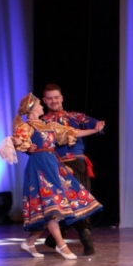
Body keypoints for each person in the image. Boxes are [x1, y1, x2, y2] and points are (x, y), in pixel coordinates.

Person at [10, 93, 103, 259]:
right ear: (32, 108)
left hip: (52, 164)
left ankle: (30, 242)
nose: (42, 106)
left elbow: (72, 133)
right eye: (39, 104)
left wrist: (93, 130)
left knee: (57, 203)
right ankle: (62, 246)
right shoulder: (27, 126)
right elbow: (18, 141)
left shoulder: (48, 125)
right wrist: (21, 144)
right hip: (39, 167)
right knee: (50, 205)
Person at [41, 84, 105, 255]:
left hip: (78, 163)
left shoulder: (74, 116)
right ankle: (80, 239)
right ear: (45, 100)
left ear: (61, 98)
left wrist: (98, 126)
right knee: (66, 203)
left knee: (83, 200)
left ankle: (62, 238)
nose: (54, 101)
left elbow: (93, 122)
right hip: (57, 165)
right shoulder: (43, 122)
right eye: (50, 98)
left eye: (56, 97)